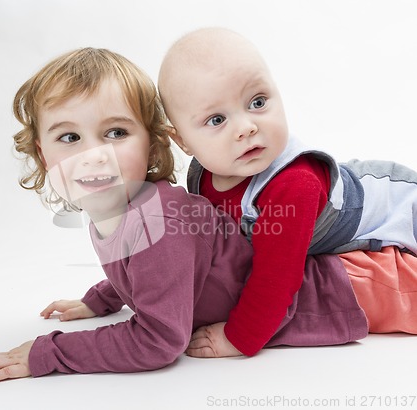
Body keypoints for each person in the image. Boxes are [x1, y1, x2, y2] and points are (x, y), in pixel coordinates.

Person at [0, 47, 378, 385]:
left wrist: (48, 353)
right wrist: (101, 298)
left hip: (351, 289)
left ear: (155, 142)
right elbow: (151, 273)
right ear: (43, 152)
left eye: (116, 133)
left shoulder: (162, 222)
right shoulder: (118, 206)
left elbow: (159, 340)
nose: (94, 155)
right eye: (69, 137)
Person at [158, 27, 417, 359]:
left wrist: (238, 338)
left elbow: (276, 278)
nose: (246, 127)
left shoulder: (293, 186)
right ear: (182, 141)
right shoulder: (204, 175)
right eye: (217, 119)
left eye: (258, 102)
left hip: (400, 203)